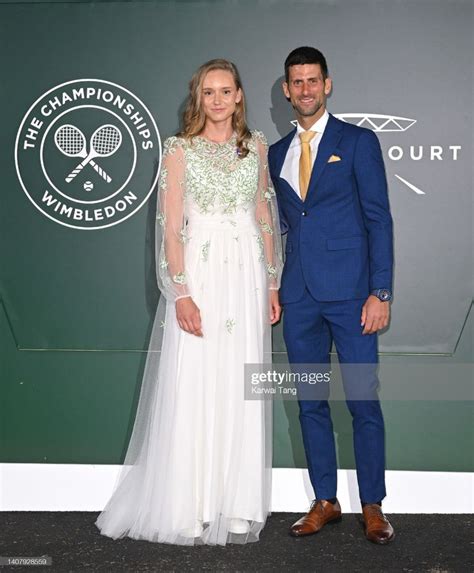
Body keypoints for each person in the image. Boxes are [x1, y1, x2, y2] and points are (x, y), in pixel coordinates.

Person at [95, 59, 283, 546]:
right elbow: (170, 225)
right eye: (208, 92)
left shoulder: (256, 147)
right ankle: (191, 503)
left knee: (242, 380)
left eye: (225, 91)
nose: (217, 100)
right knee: (195, 382)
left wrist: (271, 283)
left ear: (239, 95)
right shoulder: (178, 149)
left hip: (245, 273)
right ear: (197, 98)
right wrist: (180, 291)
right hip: (200, 274)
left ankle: (236, 502)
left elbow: (264, 215)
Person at [268, 47, 395, 544]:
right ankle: (325, 500)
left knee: (363, 401)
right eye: (296, 82)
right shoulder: (276, 153)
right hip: (299, 299)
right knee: (310, 403)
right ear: (286, 89)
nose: (305, 90)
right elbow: (273, 227)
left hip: (351, 297)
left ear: (328, 84)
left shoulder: (359, 142)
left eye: (312, 81)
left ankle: (373, 506)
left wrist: (379, 291)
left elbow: (379, 220)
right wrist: (273, 286)